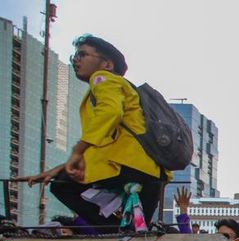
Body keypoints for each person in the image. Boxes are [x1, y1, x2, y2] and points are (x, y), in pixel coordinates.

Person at [32, 35, 168, 230]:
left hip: (130, 168)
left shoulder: (102, 79)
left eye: (83, 55)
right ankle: (119, 230)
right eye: (75, 56)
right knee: (137, 237)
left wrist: (77, 152)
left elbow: (110, 112)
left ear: (107, 64)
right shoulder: (124, 89)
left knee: (62, 185)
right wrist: (62, 167)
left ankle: (111, 228)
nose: (76, 60)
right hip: (152, 173)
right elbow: (108, 142)